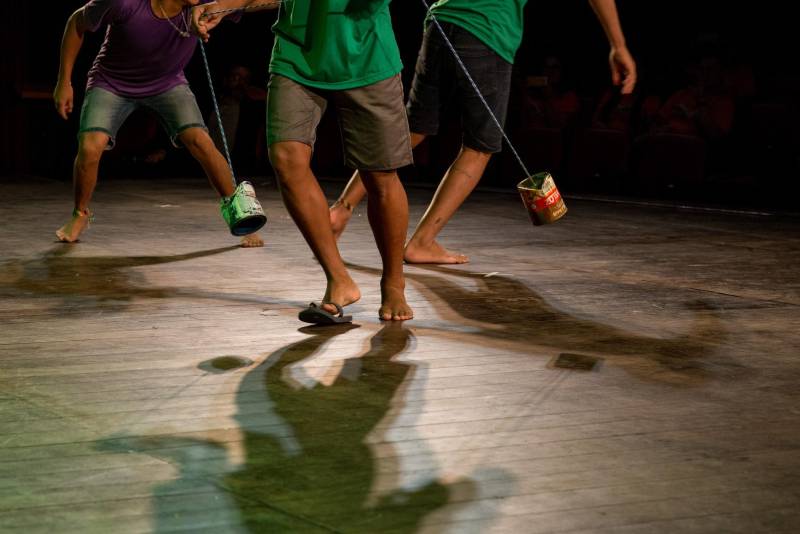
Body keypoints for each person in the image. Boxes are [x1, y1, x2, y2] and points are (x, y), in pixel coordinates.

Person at [329, 0, 637, 264]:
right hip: (487, 29)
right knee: (480, 147)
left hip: (441, 20)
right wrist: (619, 45)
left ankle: (341, 211)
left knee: (415, 128)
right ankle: (422, 242)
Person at [194, 0, 414, 323]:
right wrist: (225, 5)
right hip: (296, 52)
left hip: (365, 54)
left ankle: (394, 282)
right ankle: (338, 278)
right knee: (285, 157)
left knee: (379, 177)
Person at [52, 0, 264, 247]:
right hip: (111, 83)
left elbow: (259, 2)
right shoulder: (124, 3)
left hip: (167, 83)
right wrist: (64, 81)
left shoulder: (205, 5)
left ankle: (239, 216)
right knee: (90, 147)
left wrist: (226, 6)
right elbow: (76, 22)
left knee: (201, 141)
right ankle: (79, 214)